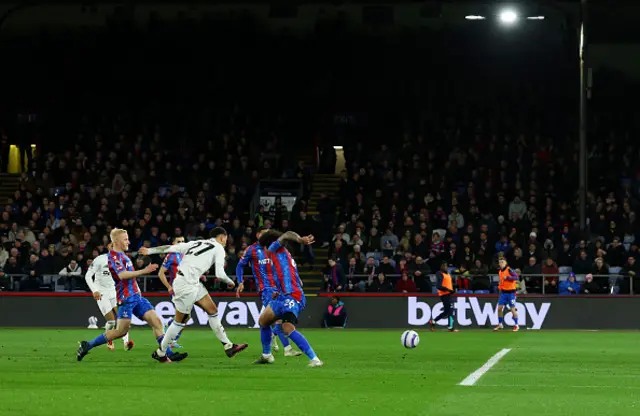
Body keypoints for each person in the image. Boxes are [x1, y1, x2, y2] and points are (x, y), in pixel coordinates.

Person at [77, 229, 187, 363]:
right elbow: (122, 275)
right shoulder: (113, 258)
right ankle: (87, 345)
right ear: (116, 241)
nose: (128, 241)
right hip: (126, 299)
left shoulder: (124, 255)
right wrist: (144, 270)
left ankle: (165, 354)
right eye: (125, 239)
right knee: (120, 332)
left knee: (156, 321)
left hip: (137, 297)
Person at [140, 227, 248, 361]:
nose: (226, 242)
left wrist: (149, 250)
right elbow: (219, 274)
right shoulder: (219, 248)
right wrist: (231, 282)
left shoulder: (196, 243)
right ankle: (161, 352)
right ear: (222, 237)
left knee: (212, 309)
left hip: (192, 282)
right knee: (180, 321)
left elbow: (170, 248)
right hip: (186, 284)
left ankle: (228, 345)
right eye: (225, 239)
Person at [253, 230, 323, 367]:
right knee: (263, 321)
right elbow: (297, 280)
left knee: (287, 327)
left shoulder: (274, 249)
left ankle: (315, 359)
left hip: (293, 296)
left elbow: (287, 234)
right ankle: (267, 355)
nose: (264, 252)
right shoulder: (282, 256)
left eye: (263, 248)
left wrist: (300, 240)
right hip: (282, 296)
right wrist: (279, 291)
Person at [235, 226, 301, 357]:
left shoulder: (277, 249)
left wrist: (297, 279)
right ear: (258, 235)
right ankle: (286, 348)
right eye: (265, 234)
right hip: (266, 289)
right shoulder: (252, 250)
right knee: (278, 318)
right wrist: (240, 281)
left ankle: (274, 339)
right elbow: (240, 265)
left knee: (278, 318)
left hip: (281, 288)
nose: (268, 236)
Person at [84, 251, 133, 351]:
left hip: (115, 292)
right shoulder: (99, 259)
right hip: (102, 293)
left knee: (123, 318)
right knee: (111, 321)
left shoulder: (122, 260)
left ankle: (126, 343)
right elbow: (88, 276)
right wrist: (95, 290)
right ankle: (109, 340)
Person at [158, 236, 185, 349]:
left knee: (185, 317)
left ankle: (169, 328)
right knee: (184, 316)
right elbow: (161, 273)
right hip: (176, 289)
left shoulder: (185, 255)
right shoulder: (171, 255)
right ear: (173, 243)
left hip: (186, 288)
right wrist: (169, 286)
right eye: (178, 241)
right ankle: (171, 339)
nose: (181, 243)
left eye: (183, 241)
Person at [428, 261, 458, 332]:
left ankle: (433, 321)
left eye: (446, 266)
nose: (445, 267)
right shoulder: (440, 273)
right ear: (441, 266)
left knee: (446, 312)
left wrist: (453, 287)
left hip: (448, 294)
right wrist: (449, 290)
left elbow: (447, 283)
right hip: (445, 294)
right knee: (450, 310)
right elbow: (439, 286)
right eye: (444, 266)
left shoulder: (447, 274)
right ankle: (450, 327)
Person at [494, 256, 520, 332]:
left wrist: (508, 278)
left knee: (512, 310)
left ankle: (516, 325)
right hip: (503, 293)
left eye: (502, 262)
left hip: (511, 293)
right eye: (500, 262)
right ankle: (500, 324)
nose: (501, 264)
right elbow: (502, 281)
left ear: (506, 263)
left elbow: (516, 277)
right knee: (499, 309)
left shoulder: (509, 269)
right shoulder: (500, 272)